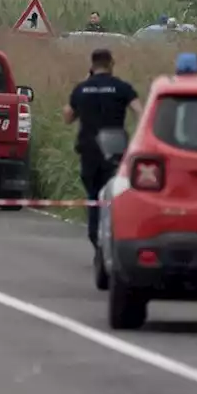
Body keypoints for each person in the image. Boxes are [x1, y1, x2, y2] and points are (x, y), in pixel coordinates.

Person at [64, 49, 143, 249]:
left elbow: (67, 117)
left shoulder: (82, 89)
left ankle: (95, 238)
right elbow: (140, 112)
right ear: (111, 64)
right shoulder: (122, 88)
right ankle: (114, 238)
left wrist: (86, 81)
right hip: (115, 151)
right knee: (114, 196)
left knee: (94, 197)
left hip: (89, 152)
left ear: (92, 66)